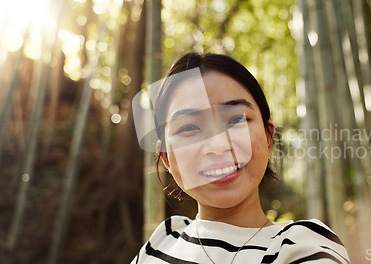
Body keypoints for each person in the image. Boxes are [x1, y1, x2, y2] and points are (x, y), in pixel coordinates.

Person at [131, 53, 350, 263]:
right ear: (166, 158)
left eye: (236, 120)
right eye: (189, 127)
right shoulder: (162, 240)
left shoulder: (303, 247)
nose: (217, 146)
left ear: (268, 137)